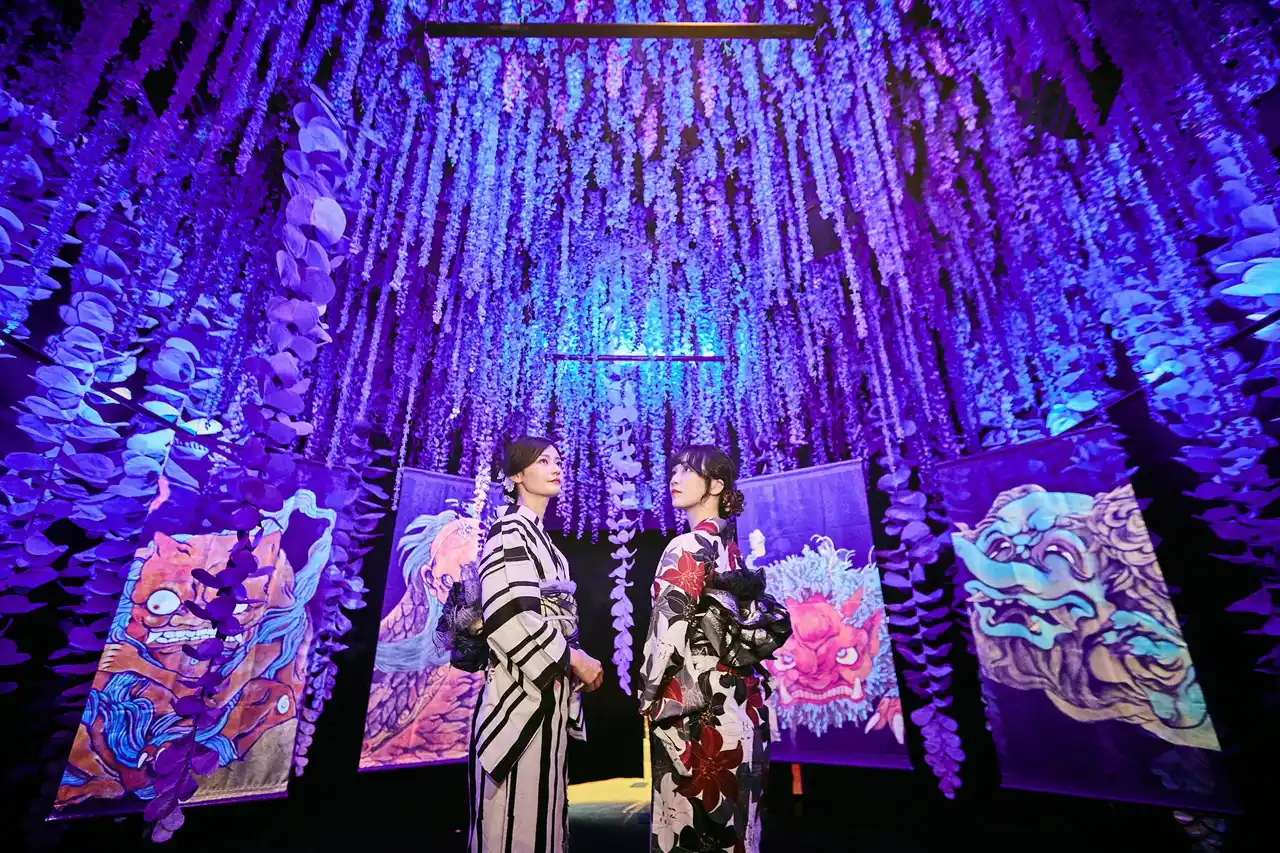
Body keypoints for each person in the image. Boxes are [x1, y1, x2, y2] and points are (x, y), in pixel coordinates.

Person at [638, 445, 791, 853]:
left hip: (697, 703)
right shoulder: (732, 552)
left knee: (692, 824)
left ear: (717, 485)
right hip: (742, 701)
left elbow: (668, 632)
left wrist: (648, 694)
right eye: (674, 469)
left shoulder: (687, 546)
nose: (675, 478)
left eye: (688, 470)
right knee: (737, 827)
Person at [468, 436, 604, 853]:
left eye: (558, 461)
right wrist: (572, 657)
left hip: (548, 696)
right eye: (543, 461)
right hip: (518, 696)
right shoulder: (508, 531)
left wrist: (573, 657)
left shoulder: (549, 546)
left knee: (543, 819)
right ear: (516, 475)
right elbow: (510, 616)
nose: (555, 468)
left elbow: (554, 619)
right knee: (512, 825)